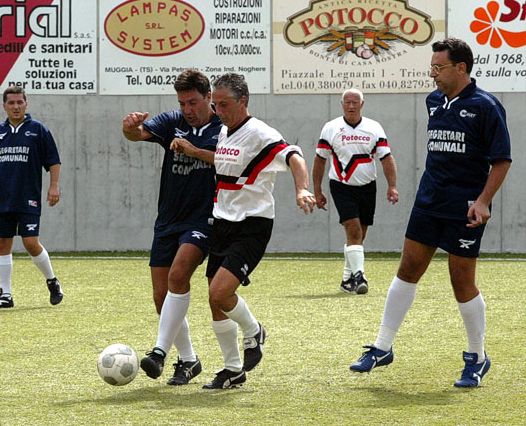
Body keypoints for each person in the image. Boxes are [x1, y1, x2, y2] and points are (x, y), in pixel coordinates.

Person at [349, 38, 511, 388]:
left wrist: (483, 201)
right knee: (407, 269)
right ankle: (382, 347)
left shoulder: (486, 106)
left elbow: (502, 160)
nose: (433, 74)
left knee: (461, 280)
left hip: (464, 207)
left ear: (461, 68)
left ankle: (477, 357)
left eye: (439, 67)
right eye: (432, 67)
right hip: (429, 202)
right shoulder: (433, 101)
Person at [202, 73, 316, 389]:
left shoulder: (260, 133)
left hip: (251, 225)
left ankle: (254, 331)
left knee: (220, 292)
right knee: (215, 300)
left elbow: (294, 156)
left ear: (243, 101)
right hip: (222, 222)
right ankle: (232, 370)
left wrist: (301, 189)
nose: (218, 110)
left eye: (224, 104)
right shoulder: (224, 131)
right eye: (215, 104)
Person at [121, 69, 221, 385]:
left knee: (179, 275)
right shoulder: (171, 121)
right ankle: (189, 360)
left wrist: (194, 151)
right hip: (167, 220)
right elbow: (137, 135)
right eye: (182, 103)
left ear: (208, 97)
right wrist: (129, 128)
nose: (187, 110)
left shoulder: (224, 126)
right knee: (161, 296)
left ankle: (159, 352)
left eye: (193, 102)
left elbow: (231, 160)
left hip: (203, 219)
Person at [0, 86, 64, 308]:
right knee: (2, 242)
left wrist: (54, 186)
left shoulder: (38, 130)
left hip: (28, 197)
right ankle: (5, 294)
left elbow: (53, 161)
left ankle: (52, 281)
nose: (16, 106)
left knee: (30, 242)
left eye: (19, 102)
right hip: (3, 198)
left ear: (26, 104)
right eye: (11, 103)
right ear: (4, 106)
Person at [312, 88, 399, 295]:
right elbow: (320, 160)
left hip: (368, 187)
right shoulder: (331, 128)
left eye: (355, 102)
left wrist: (392, 186)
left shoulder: (374, 127)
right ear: (342, 105)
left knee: (360, 236)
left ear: (362, 104)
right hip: (341, 186)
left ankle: (346, 279)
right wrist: (317, 190)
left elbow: (386, 158)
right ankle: (360, 276)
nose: (351, 106)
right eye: (347, 102)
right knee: (353, 230)